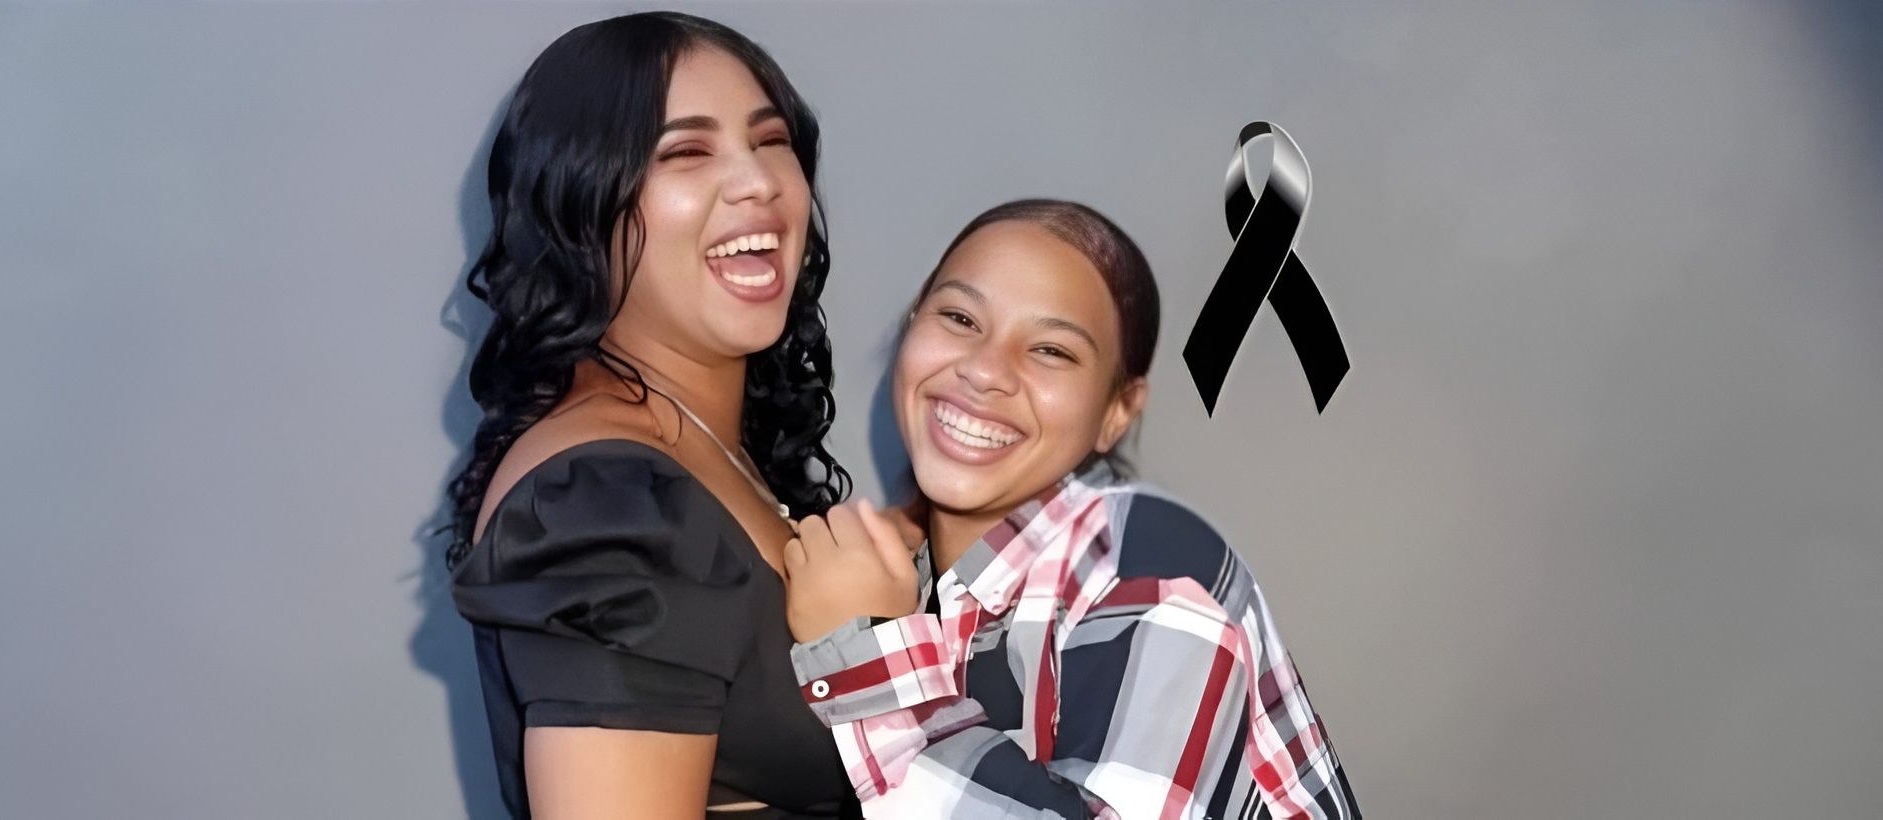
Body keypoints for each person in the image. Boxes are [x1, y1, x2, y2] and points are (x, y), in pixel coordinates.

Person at [782, 200, 1360, 818]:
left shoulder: (1155, 572)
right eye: (959, 317)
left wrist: (870, 652)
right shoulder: (918, 576)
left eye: (1052, 351)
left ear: (1117, 411)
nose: (984, 370)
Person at [445, 12, 858, 818]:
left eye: (771, 140)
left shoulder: (700, 451)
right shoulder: (605, 508)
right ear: (581, 205)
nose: (758, 181)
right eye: (686, 153)